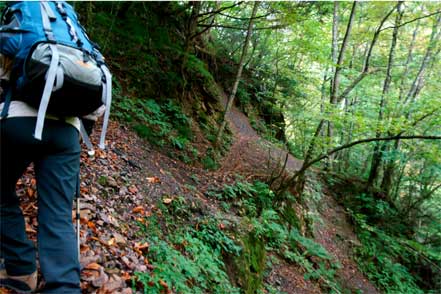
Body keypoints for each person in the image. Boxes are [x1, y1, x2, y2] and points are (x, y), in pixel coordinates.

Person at [0, 53, 84, 292]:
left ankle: (20, 268)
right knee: (58, 212)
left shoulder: (19, 22)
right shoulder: (75, 40)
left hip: (18, 120)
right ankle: (64, 288)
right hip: (66, 131)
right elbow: (96, 107)